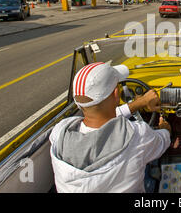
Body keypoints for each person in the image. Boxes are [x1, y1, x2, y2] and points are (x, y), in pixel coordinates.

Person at [49, 62, 172, 193]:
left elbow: (102, 119)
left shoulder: (60, 132)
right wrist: (165, 128)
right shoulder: (137, 135)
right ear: (116, 94)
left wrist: (139, 103)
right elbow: (163, 141)